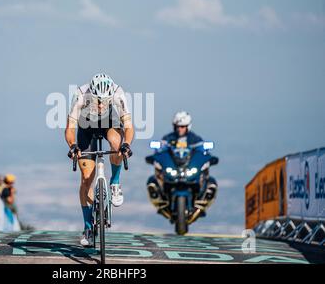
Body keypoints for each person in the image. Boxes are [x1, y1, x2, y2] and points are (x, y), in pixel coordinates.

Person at [65, 73, 134, 247]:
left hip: (109, 124)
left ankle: (115, 182)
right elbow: (70, 128)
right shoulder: (80, 94)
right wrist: (73, 146)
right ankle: (88, 227)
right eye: (97, 101)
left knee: (118, 144)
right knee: (87, 177)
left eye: (105, 101)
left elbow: (129, 126)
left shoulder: (118, 93)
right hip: (85, 129)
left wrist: (127, 144)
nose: (101, 105)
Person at [146, 111, 218, 217]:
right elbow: (160, 150)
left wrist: (209, 158)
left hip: (189, 170)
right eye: (178, 126)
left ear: (188, 126)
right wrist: (155, 158)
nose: (180, 129)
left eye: (183, 127)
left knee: (211, 183)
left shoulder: (195, 139)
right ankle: (161, 200)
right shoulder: (168, 138)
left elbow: (203, 151)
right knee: (152, 182)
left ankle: (201, 201)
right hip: (173, 171)